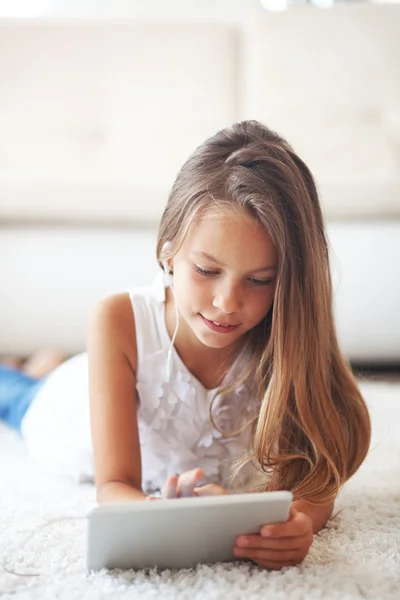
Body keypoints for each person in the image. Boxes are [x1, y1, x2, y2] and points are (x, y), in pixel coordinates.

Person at [0, 120, 371, 570]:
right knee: (16, 396)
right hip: (65, 411)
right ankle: (36, 369)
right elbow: (114, 486)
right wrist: (166, 518)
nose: (227, 303)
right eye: (207, 271)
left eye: (259, 280)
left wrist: (298, 522)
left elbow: (318, 481)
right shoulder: (115, 320)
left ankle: (43, 362)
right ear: (169, 251)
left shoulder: (288, 335)